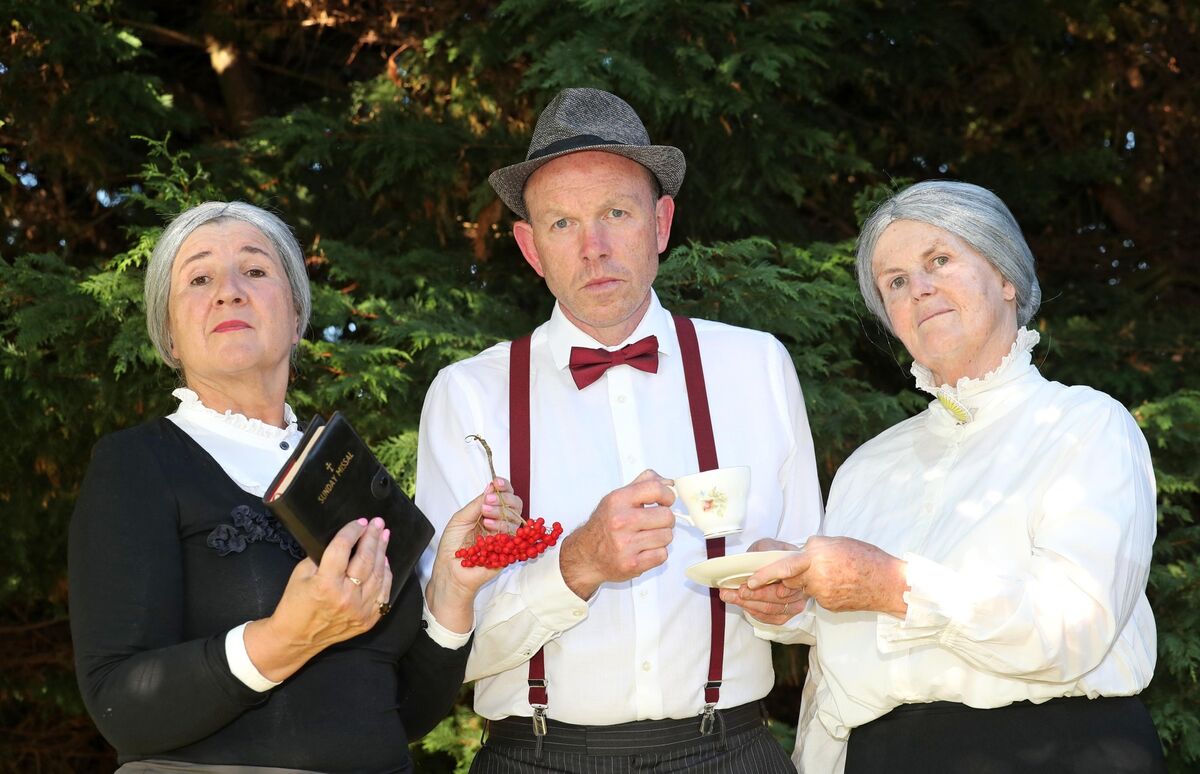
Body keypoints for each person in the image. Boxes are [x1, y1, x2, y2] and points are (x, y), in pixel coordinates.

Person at [415, 87, 822, 773]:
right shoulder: (470, 397)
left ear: (661, 223)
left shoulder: (757, 366)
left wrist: (792, 600)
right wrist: (575, 565)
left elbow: (818, 605)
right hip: (535, 759)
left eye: (616, 213)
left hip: (733, 753)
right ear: (530, 246)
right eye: (563, 224)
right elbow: (445, 651)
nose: (595, 248)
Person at [724, 180, 1164, 774]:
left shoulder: (1085, 426)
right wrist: (794, 600)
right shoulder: (869, 465)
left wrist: (892, 584)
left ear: (1008, 278)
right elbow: (835, 677)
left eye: (940, 260)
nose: (920, 289)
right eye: (896, 282)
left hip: (1059, 749)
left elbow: (1074, 628)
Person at [69, 201, 521, 772]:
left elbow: (399, 710)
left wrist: (453, 589)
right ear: (170, 337)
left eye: (255, 271)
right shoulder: (135, 465)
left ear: (296, 314)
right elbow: (120, 705)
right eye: (200, 278)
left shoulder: (343, 467)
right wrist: (288, 637)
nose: (229, 291)